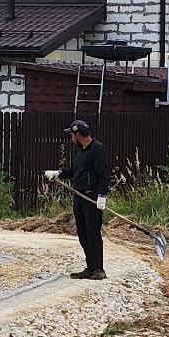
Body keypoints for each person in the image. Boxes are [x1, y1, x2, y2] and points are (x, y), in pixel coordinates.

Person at [44, 119, 111, 279]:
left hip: (91, 198)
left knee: (93, 233)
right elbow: (74, 171)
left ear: (79, 134)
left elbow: (104, 175)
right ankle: (90, 267)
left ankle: (99, 269)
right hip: (79, 197)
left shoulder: (98, 149)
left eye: (72, 135)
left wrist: (102, 196)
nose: (71, 139)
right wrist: (58, 173)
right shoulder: (79, 153)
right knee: (83, 233)